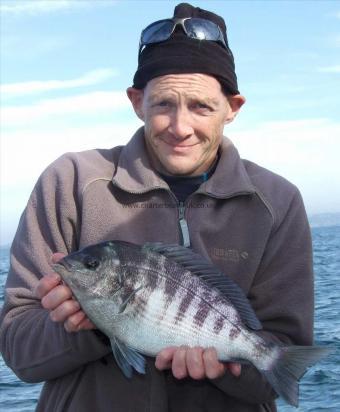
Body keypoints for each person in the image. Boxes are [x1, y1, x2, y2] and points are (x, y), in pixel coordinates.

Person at [0, 3, 314, 412]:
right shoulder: (71, 181)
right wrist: (89, 326)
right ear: (136, 101)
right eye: (164, 103)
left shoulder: (276, 202)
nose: (180, 127)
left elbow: (277, 367)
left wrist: (222, 365)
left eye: (201, 106)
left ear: (232, 108)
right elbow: (19, 352)